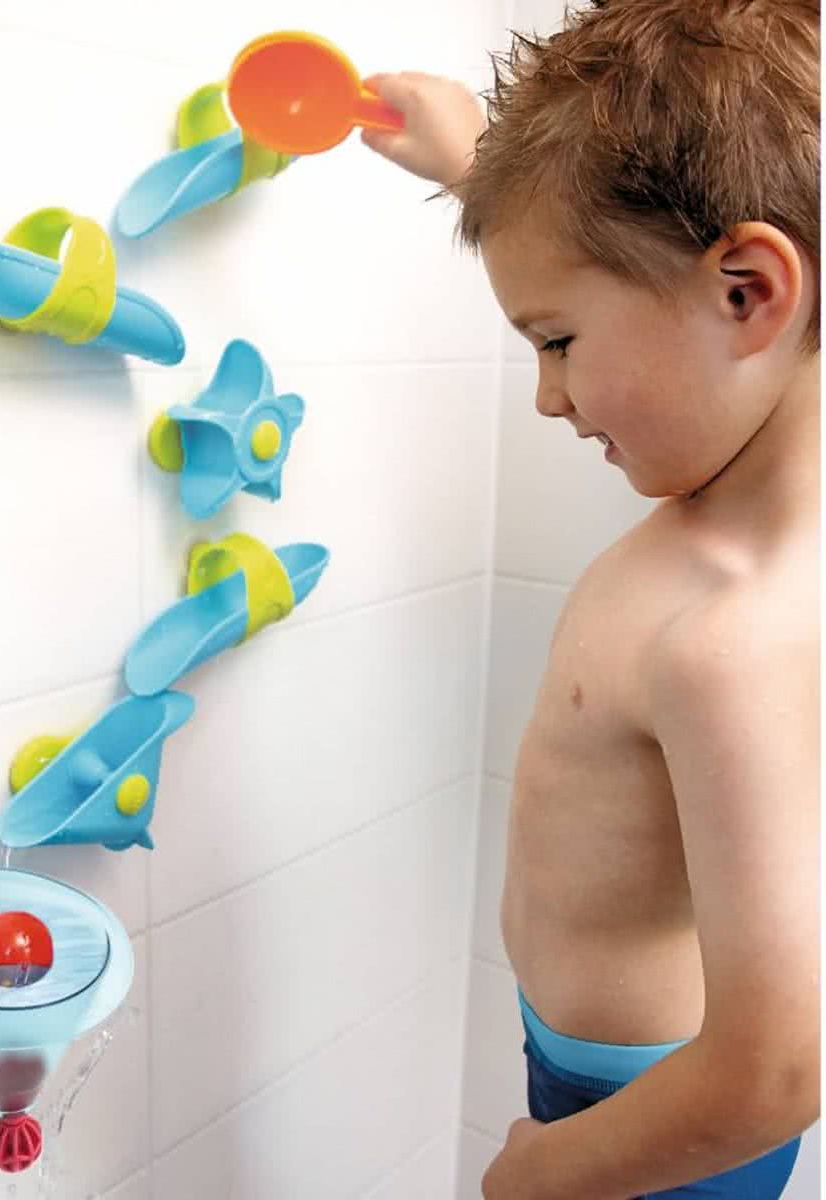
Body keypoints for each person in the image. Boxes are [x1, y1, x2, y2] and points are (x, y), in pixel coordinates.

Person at [363, 2, 820, 1196]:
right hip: (612, 1082)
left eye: (556, 342)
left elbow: (776, 1072)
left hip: (670, 1128)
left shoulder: (733, 639)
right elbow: (655, 293)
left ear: (750, 293)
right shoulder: (733, 458)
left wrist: (541, 1175)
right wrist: (476, 160)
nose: (548, 398)